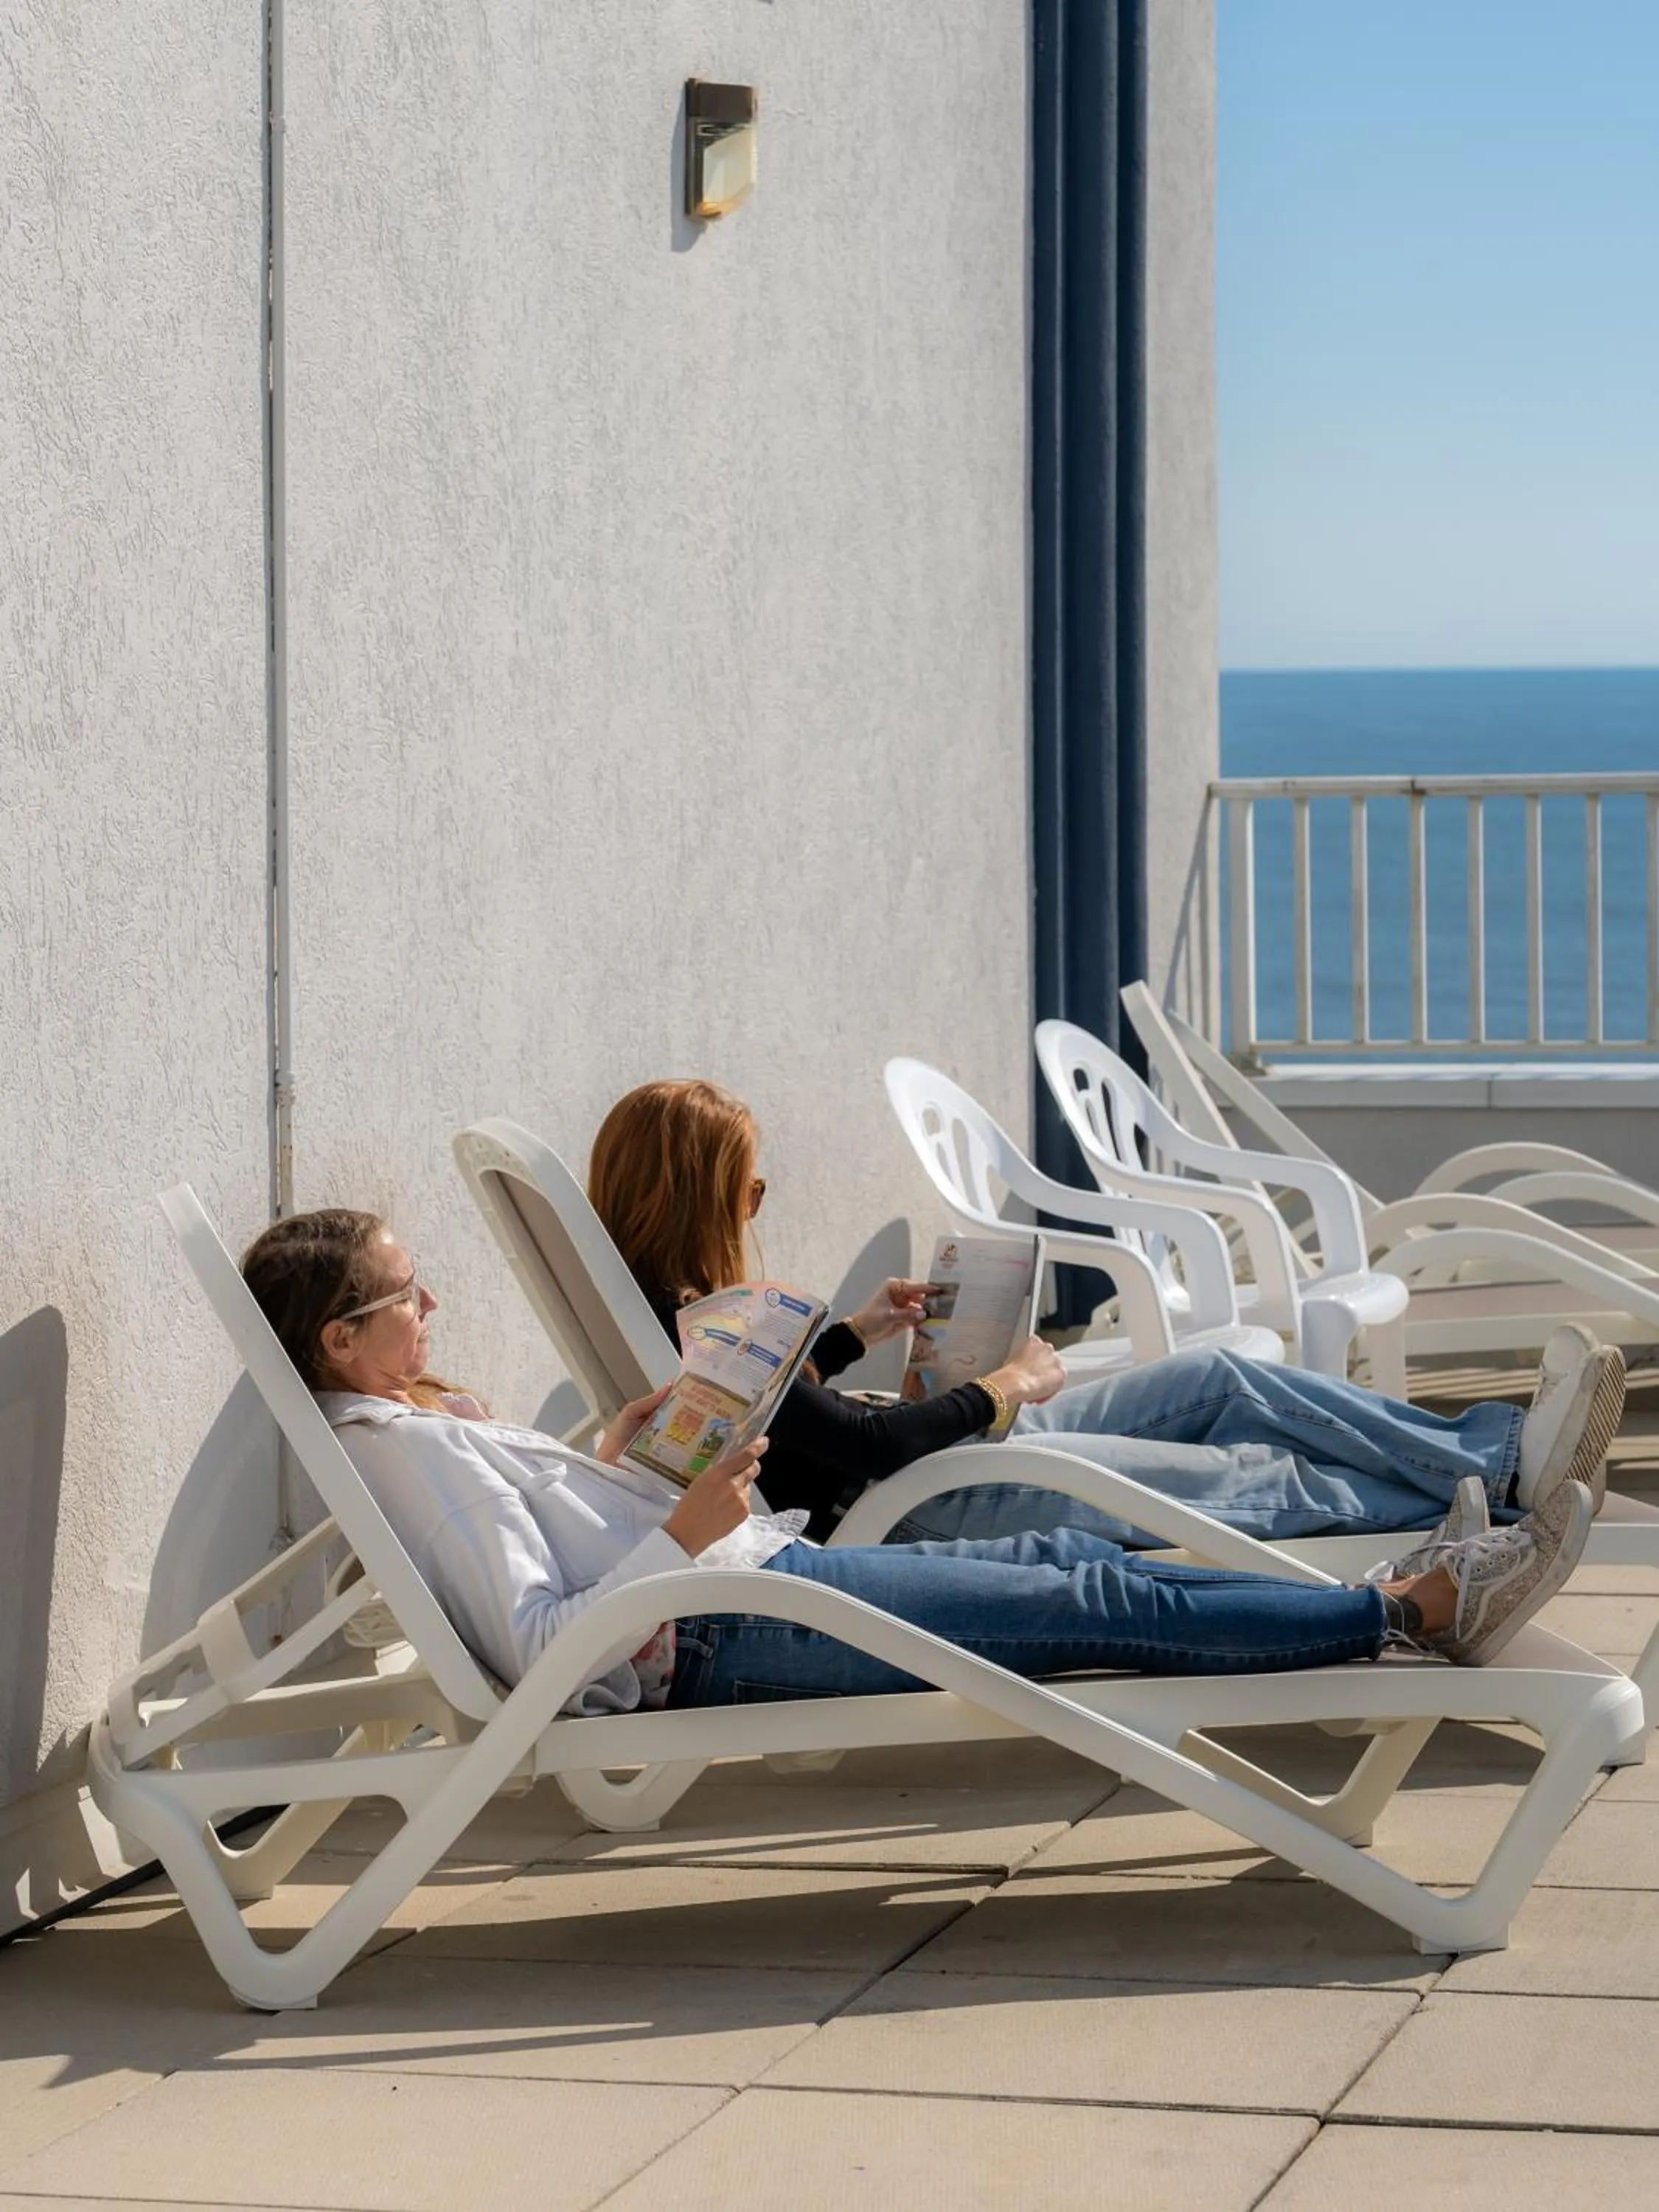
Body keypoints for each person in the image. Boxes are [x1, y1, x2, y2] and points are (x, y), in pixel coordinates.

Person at [240, 1208, 1592, 1718]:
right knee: (1086, 1605)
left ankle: (1420, 1572)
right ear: (343, 1338)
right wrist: (682, 1527)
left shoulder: (420, 1425)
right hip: (718, 1625)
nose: (435, 1309)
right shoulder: (411, 1456)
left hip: (751, 1576)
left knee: (1073, 1565)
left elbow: (550, 1550)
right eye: (409, 1294)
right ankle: (1412, 1609)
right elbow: (545, 1650)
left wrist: (624, 1465)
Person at [587, 1079, 1627, 1549]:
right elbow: (867, 1448)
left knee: (1223, 1381)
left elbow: (796, 1412)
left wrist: (859, 1330)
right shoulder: (698, 1334)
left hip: (959, 1460)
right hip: (939, 1497)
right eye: (748, 1191)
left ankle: (1492, 1459)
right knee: (1250, 1479)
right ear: (693, 1196)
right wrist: (1006, 1387)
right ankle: (1485, 1513)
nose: (758, 1209)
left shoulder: (684, 1315)